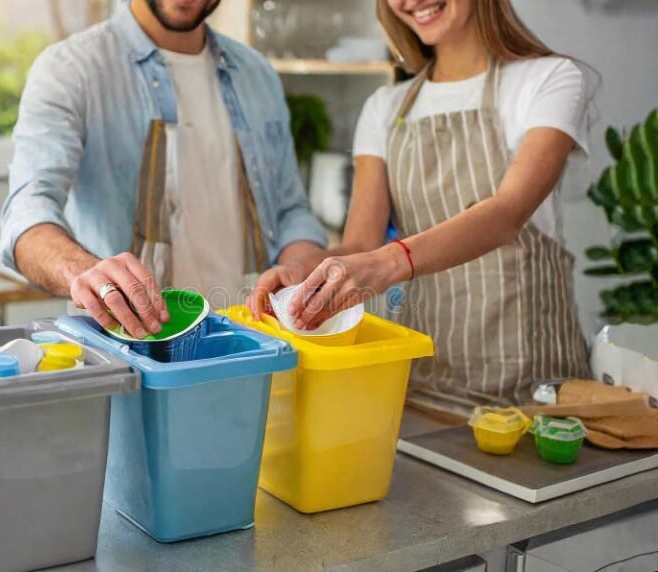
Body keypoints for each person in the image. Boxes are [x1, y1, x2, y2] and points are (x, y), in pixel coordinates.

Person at [249, 0, 592, 407]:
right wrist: (302, 273)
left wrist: (387, 263)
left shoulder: (548, 80)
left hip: (535, 394)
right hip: (422, 390)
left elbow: (506, 214)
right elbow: (361, 242)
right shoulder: (385, 108)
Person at [0, 0, 326, 339]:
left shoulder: (257, 74)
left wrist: (299, 268)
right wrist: (85, 271)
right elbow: (27, 213)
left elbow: (290, 210)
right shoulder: (71, 68)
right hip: (133, 353)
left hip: (247, 343)